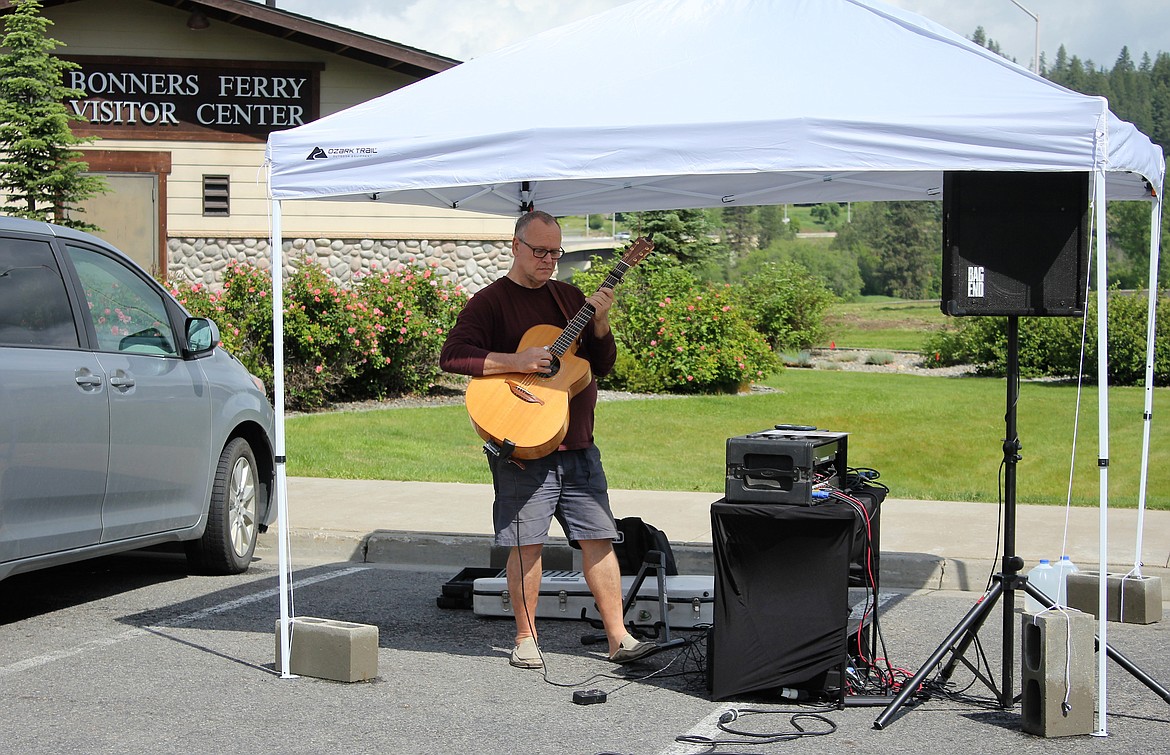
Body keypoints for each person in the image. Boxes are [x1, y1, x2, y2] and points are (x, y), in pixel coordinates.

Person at [439, 210, 655, 669]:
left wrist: (600, 323)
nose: (549, 261)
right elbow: (454, 356)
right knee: (526, 542)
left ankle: (619, 637)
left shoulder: (569, 298)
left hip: (577, 442)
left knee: (599, 538)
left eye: (555, 252)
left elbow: (602, 362)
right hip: (522, 442)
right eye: (540, 251)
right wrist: (515, 361)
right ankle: (526, 638)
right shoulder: (490, 302)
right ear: (515, 246)